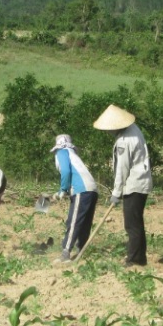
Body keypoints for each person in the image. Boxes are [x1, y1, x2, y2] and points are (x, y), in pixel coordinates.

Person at [93, 104, 152, 266]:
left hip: (134, 184)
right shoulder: (134, 129)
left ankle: (133, 260)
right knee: (137, 223)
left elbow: (122, 169)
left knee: (131, 225)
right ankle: (140, 258)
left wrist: (116, 193)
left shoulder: (124, 141)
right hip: (142, 182)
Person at [50, 134, 99, 263]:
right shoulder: (73, 155)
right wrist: (64, 191)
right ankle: (82, 251)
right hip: (92, 189)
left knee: (74, 222)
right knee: (84, 223)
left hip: (81, 189)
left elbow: (66, 171)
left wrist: (63, 189)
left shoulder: (62, 152)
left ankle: (66, 253)